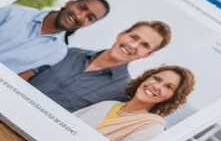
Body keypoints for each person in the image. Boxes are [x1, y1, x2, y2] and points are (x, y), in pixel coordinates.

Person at [28, 20, 171, 112]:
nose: (133, 45)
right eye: (133, 37)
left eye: (144, 45)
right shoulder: (70, 53)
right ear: (121, 34)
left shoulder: (122, 94)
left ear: (147, 55)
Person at [74, 65, 196, 141]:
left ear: (172, 98)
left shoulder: (152, 129)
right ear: (146, 77)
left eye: (168, 87)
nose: (156, 86)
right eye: (157, 79)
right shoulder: (107, 105)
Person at [0, 0, 110, 78]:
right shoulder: (15, 13)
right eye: (81, 8)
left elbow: (22, 78)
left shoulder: (57, 52)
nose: (79, 16)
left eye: (90, 18)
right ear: (69, 3)